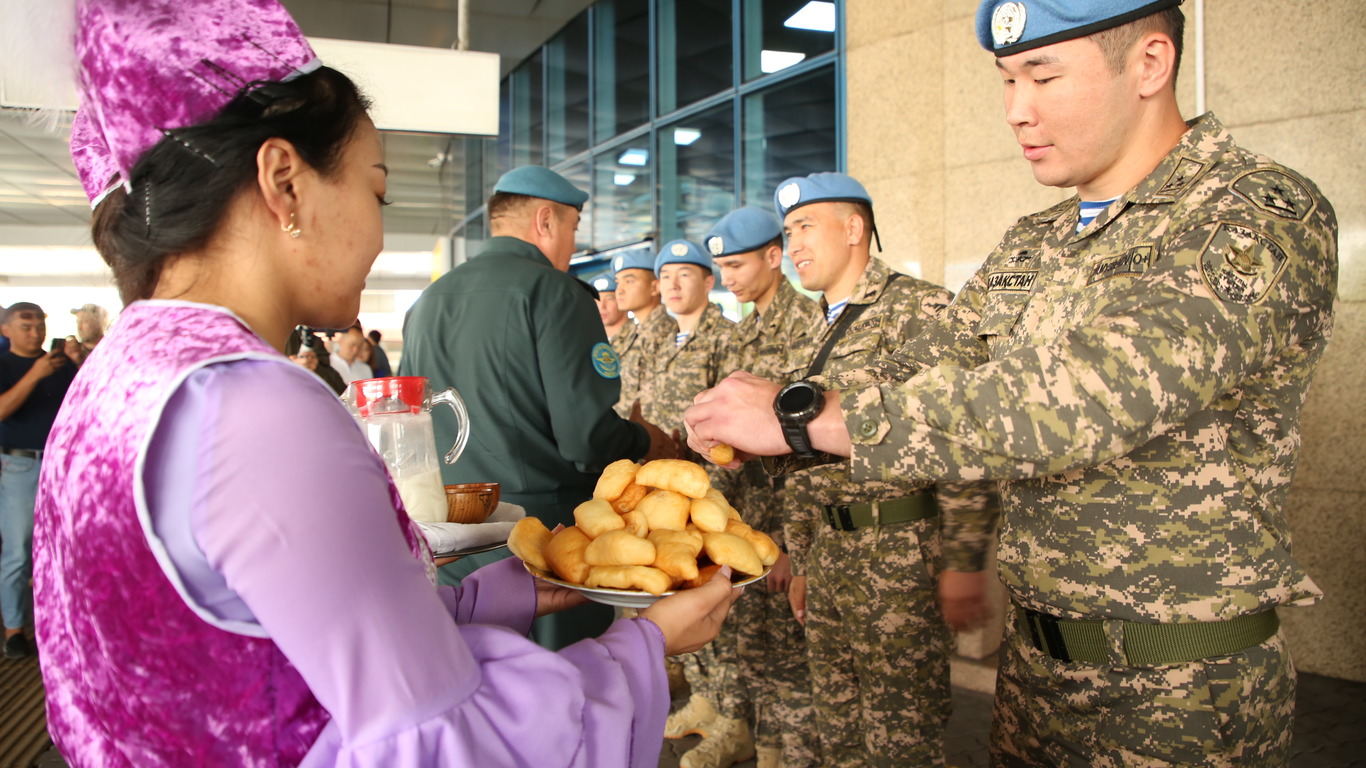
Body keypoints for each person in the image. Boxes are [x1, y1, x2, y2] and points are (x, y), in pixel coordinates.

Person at [32, 2, 737, 765]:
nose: (378, 232)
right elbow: (443, 744)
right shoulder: (255, 406)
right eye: (377, 192)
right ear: (284, 182)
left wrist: (494, 594)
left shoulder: (123, 373)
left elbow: (282, 639)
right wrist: (645, 644)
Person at [685, 2, 1338, 765]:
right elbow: (931, 367)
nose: (1015, 110)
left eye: (1043, 76)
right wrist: (759, 406)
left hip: (1181, 685)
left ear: (1151, 65)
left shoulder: (1251, 214)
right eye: (1005, 80)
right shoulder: (1035, 243)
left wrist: (804, 417)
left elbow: (1090, 394)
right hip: (1034, 673)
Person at [765, 174, 1001, 766]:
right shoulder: (812, 327)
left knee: (902, 735)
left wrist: (964, 563)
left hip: (899, 553)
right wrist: (800, 556)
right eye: (787, 231)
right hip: (829, 555)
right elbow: (802, 456)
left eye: (805, 227)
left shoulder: (923, 309)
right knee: (836, 725)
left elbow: (965, 439)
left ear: (854, 229)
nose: (792, 244)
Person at [399, 165, 679, 648]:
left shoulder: (428, 301)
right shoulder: (554, 293)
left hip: (451, 540)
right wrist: (644, 441)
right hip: (543, 544)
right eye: (572, 229)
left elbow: (409, 423)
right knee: (564, 695)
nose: (572, 247)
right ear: (545, 221)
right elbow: (586, 439)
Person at [706, 207, 824, 768]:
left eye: (736, 264)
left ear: (773, 257)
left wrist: (786, 545)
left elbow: (811, 449)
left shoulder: (809, 327)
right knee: (750, 642)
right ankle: (760, 741)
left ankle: (789, 751)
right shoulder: (742, 332)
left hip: (782, 523)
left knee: (791, 656)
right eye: (721, 266)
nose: (726, 277)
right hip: (741, 519)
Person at [642, 239, 751, 767]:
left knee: (717, 604)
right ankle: (706, 699)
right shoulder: (662, 340)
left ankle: (733, 721)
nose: (674, 285)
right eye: (666, 277)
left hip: (714, 498)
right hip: (666, 503)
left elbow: (733, 427)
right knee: (686, 600)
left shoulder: (726, 340)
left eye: (686, 275)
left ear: (709, 283)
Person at [1, 302, 77, 660]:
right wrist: (33, 374)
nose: (35, 333)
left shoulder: (61, 367)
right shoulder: (5, 365)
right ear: (7, 331)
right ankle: (15, 630)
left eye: (39, 326)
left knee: (62, 548)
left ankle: (59, 622)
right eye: (25, 326)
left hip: (60, 465)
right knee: (18, 550)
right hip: (19, 465)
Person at [611, 248, 679, 418]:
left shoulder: (669, 332)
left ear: (655, 287)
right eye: (618, 282)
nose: (619, 290)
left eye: (629, 281)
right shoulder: (628, 333)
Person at [593, 273, 628, 340]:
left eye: (609, 299)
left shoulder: (640, 334)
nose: (602, 306)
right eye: (597, 300)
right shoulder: (590, 341)